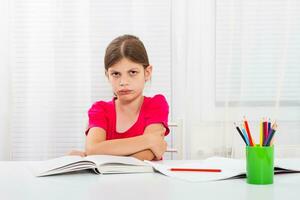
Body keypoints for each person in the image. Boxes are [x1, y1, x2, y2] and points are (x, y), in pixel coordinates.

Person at [68, 35, 169, 160]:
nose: (123, 82)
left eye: (132, 72)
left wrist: (100, 153)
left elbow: (147, 154)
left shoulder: (156, 104)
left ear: (147, 73)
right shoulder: (100, 109)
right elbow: (92, 149)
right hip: (105, 180)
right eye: (116, 74)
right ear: (107, 75)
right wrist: (147, 140)